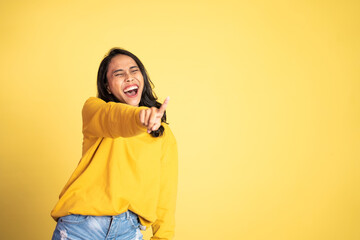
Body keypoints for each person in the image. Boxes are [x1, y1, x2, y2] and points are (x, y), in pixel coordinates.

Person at [50, 48, 178, 240]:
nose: (129, 77)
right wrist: (139, 117)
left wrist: (163, 238)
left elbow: (165, 193)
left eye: (134, 71)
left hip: (129, 231)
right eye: (119, 74)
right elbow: (114, 117)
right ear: (108, 86)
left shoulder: (163, 134)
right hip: (82, 227)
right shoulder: (94, 110)